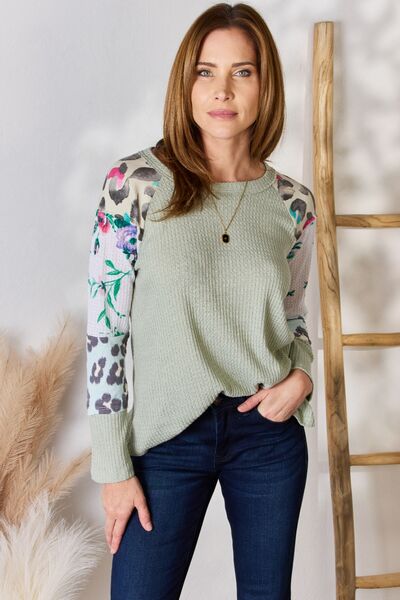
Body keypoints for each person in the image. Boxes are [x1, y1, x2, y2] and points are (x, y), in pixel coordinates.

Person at [86, 3, 317, 599]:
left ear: (266, 86)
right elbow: (106, 330)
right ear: (184, 83)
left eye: (243, 72)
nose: (222, 90)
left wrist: (302, 377)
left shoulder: (293, 203)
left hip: (266, 437)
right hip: (164, 438)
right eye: (205, 71)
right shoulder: (135, 184)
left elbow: (292, 315)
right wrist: (112, 466)